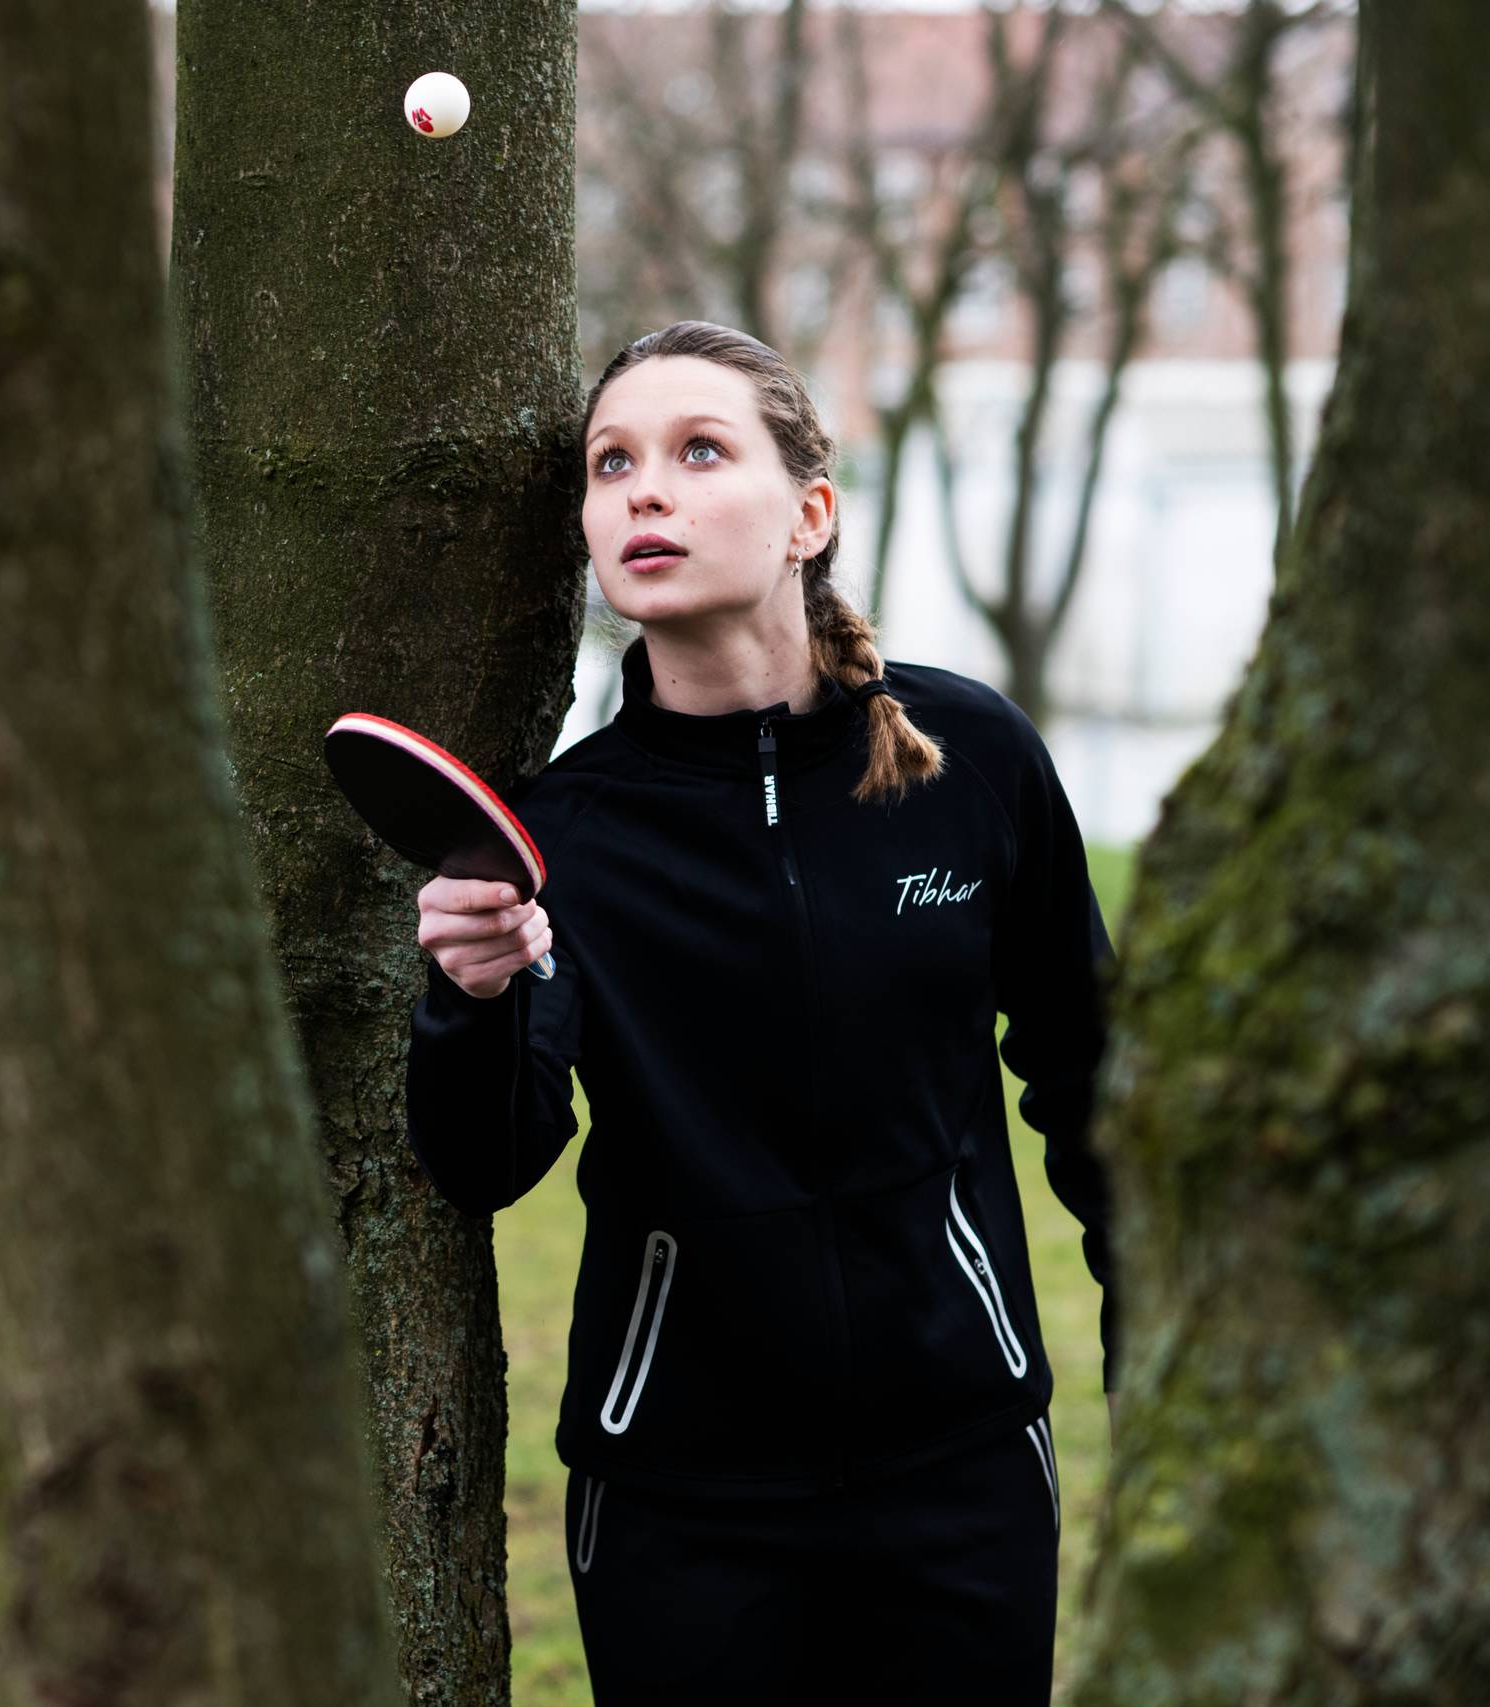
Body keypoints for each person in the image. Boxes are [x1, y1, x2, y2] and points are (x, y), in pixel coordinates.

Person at [404, 320, 1120, 1705]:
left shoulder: (972, 761)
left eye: (697, 452)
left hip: (963, 1469)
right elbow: (485, 1159)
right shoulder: (568, 836)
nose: (642, 493)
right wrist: (471, 996)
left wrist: (1157, 1344)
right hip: (680, 1505)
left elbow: (1098, 1079)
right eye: (611, 465)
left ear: (809, 517)